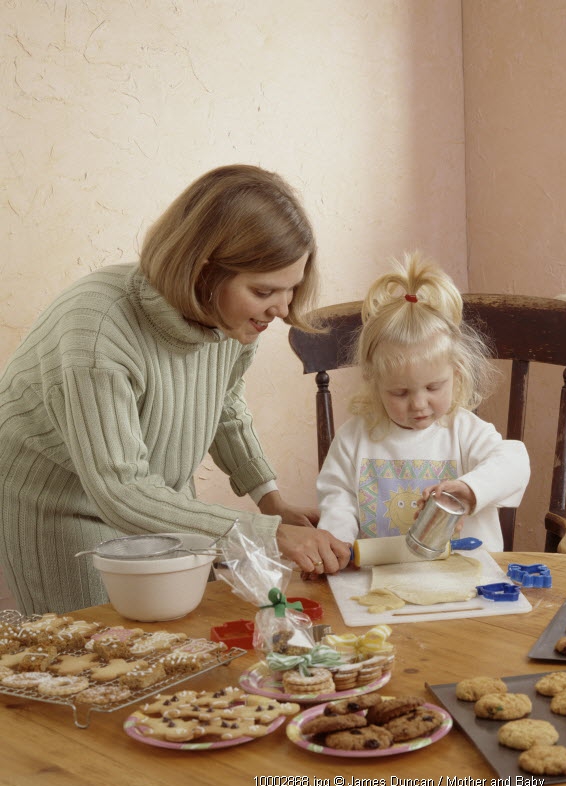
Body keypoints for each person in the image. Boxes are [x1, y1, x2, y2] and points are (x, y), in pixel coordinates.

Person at [0, 164, 351, 614]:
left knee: (190, 644)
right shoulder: (96, 329)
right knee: (100, 660)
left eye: (292, 289)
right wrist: (269, 534)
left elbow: (225, 404)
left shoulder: (230, 320)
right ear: (204, 272)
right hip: (62, 503)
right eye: (265, 291)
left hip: (159, 499)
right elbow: (122, 490)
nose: (282, 309)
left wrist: (271, 501)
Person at [316, 251, 530, 552]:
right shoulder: (354, 438)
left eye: (433, 387)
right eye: (400, 393)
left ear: (456, 373)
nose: (418, 404)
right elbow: (337, 500)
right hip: (383, 582)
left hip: (468, 578)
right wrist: (336, 545)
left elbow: (515, 463)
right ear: (373, 381)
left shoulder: (464, 431)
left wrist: (471, 490)